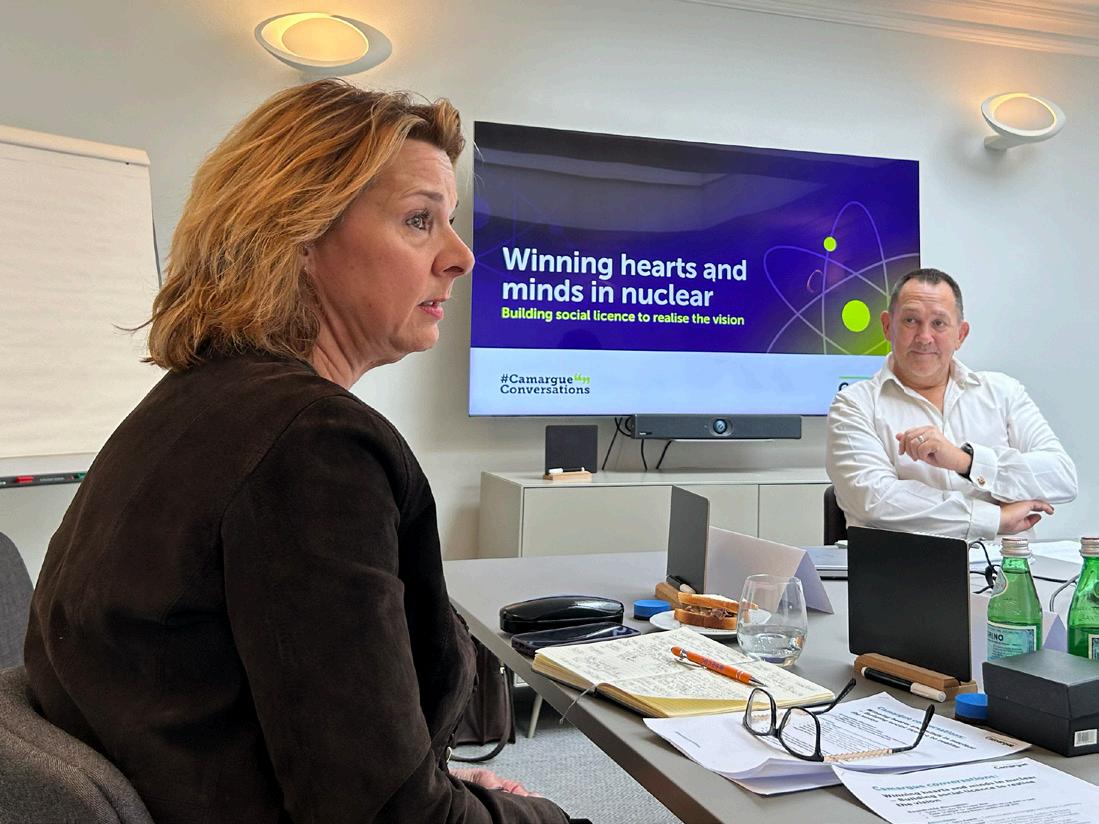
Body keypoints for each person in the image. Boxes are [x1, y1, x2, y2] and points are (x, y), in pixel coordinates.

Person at [24, 80, 580, 824]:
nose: (460, 257)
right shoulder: (312, 446)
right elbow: (386, 819)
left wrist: (442, 789)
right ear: (299, 235)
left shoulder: (198, 400)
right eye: (419, 220)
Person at [826, 267, 1076, 541]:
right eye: (910, 320)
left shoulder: (1003, 392)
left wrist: (966, 462)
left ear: (961, 334)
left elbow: (1062, 477)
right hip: (903, 566)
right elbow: (875, 500)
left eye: (939, 323)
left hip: (1007, 566)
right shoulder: (854, 406)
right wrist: (994, 519)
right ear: (887, 326)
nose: (924, 337)